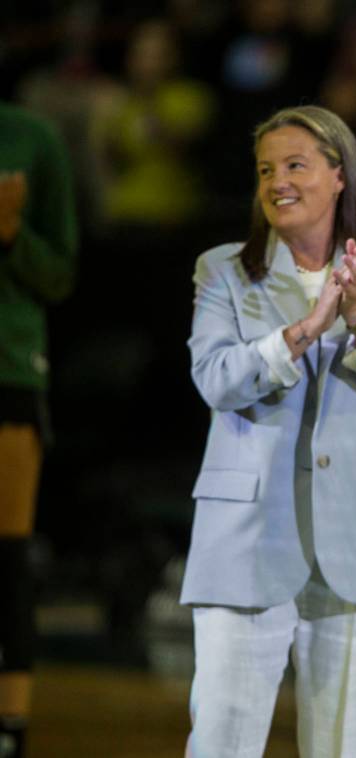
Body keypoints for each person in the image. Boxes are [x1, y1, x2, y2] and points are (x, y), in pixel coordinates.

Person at [182, 105, 356, 758]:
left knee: (341, 749)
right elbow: (215, 379)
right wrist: (302, 331)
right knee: (221, 743)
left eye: (295, 164)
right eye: (266, 169)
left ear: (340, 176)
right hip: (245, 542)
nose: (278, 181)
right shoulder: (222, 270)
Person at [0, 102, 78, 758]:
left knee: (7, 552)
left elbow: (60, 273)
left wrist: (9, 235)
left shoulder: (32, 137)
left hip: (9, 366)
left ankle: (12, 727)